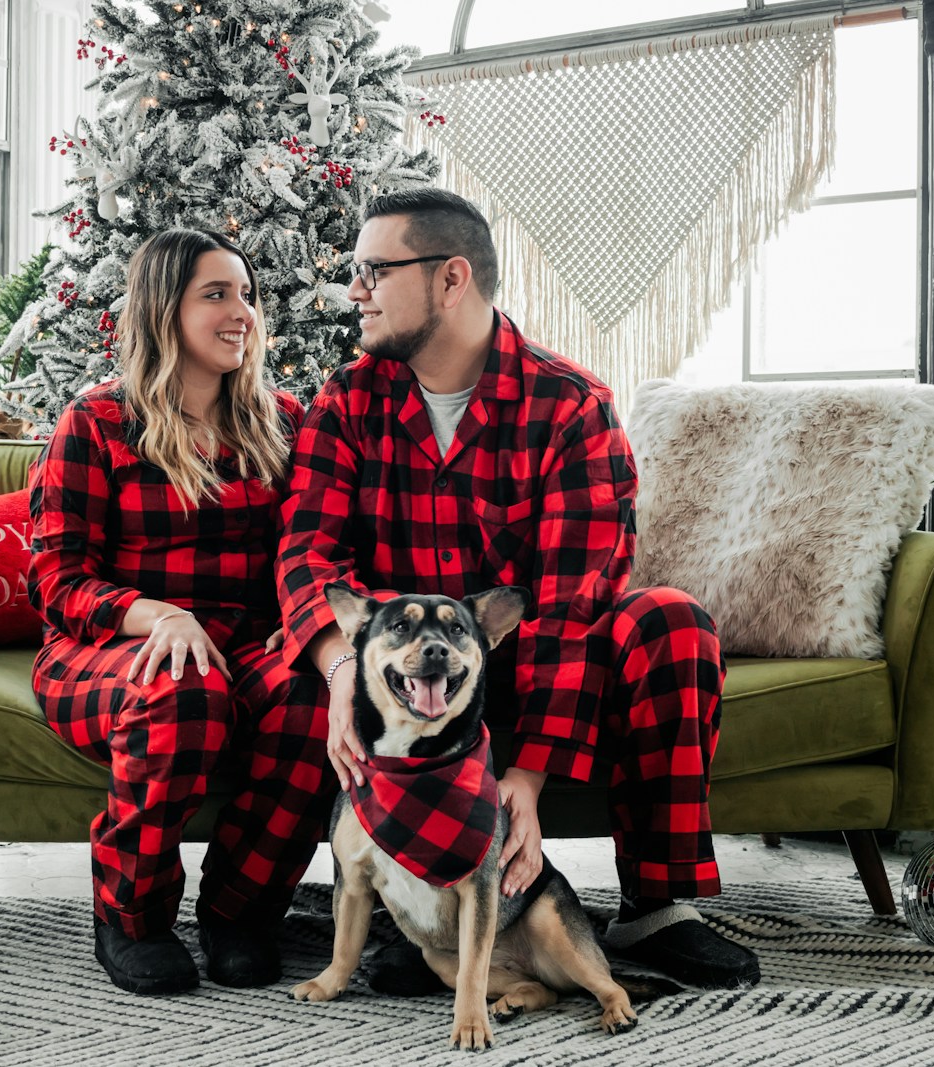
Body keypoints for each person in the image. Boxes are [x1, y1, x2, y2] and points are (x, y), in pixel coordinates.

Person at [275, 189, 760, 991]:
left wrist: (525, 780)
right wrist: (337, 669)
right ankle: (401, 903)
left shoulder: (571, 406)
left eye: (373, 271)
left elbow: (575, 606)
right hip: (393, 681)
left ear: (451, 278)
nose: (353, 291)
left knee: (670, 620)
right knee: (298, 658)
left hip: (530, 676)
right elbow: (307, 555)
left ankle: (660, 906)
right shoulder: (347, 399)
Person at [30, 228, 329, 996]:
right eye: (217, 294)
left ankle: (240, 910)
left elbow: (309, 545)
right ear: (166, 310)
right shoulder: (96, 422)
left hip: (243, 641)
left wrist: (296, 620)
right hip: (109, 644)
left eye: (248, 295)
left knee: (312, 701)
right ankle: (131, 915)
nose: (244, 313)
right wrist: (153, 615)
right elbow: (58, 581)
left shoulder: (282, 420)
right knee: (184, 689)